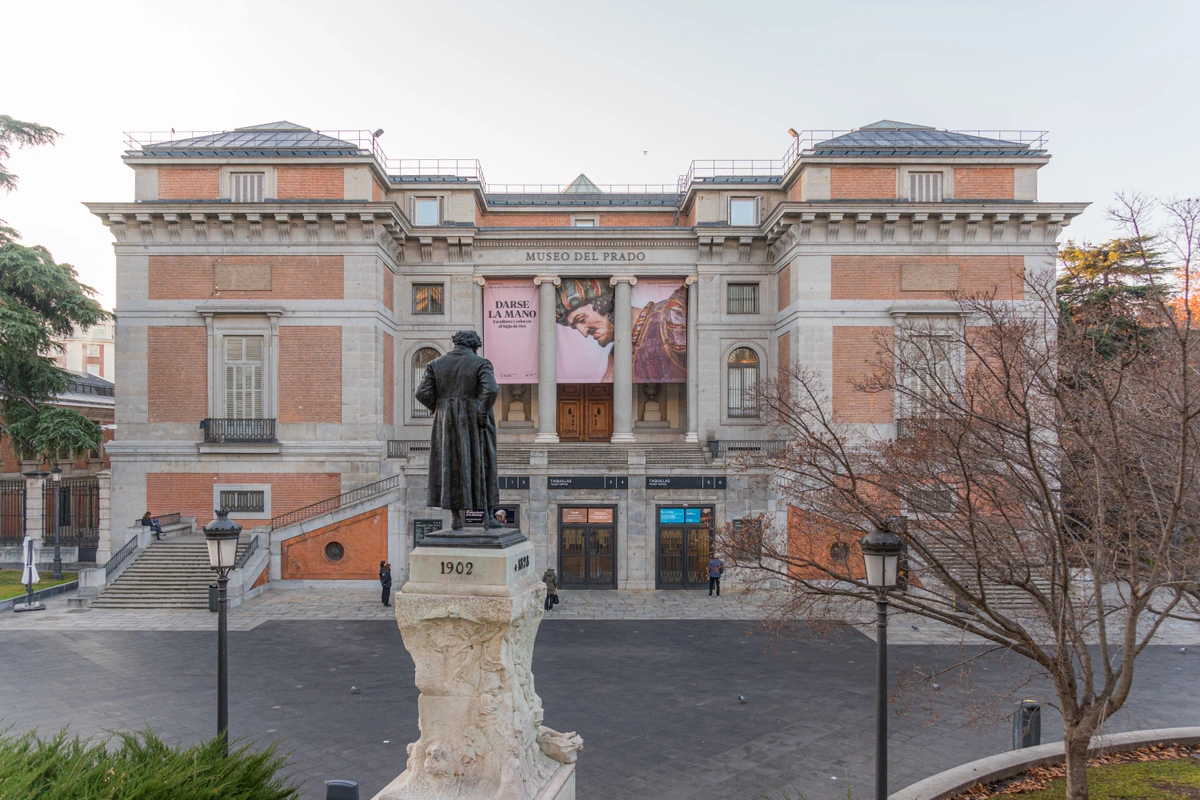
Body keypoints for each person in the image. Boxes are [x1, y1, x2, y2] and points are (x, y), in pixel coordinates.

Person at [414, 330, 502, 530]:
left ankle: (456, 518)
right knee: (484, 462)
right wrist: (481, 412)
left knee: (450, 465)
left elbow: (421, 393)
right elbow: (492, 389)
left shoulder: (435, 364)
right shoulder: (481, 363)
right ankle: (488, 517)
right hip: (474, 419)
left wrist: (440, 407)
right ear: (474, 345)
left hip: (447, 423)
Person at [555, 278, 688, 383]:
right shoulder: (616, 354)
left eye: (582, 319)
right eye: (575, 327)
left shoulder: (672, 316)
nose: (584, 333)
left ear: (607, 304)